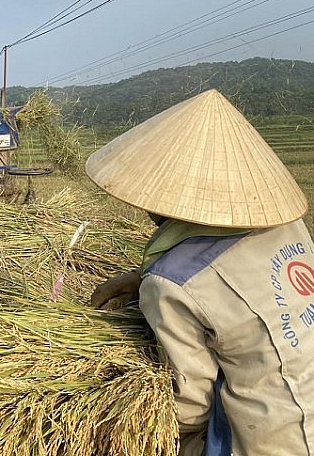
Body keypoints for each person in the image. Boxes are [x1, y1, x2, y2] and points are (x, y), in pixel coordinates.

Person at [86, 89, 314, 455]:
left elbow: (189, 402)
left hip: (275, 438)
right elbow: (241, 281)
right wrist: (141, 277)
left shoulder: (173, 280)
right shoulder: (287, 226)